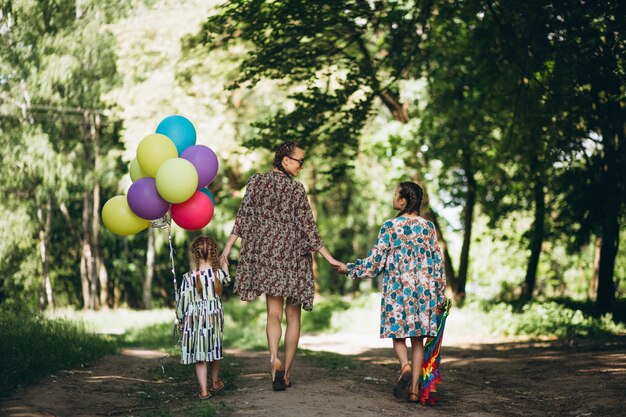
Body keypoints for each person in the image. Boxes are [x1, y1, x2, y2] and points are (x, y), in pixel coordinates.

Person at [219, 141, 344, 391]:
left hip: (268, 258)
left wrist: (227, 248)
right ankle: (285, 373)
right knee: (293, 316)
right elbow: (309, 230)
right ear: (285, 161)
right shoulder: (297, 190)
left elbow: (243, 216)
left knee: (273, 314)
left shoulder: (256, 181)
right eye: (299, 160)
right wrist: (329, 259)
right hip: (294, 258)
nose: (302, 166)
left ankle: (273, 358)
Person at [338, 182, 446, 403]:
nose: (393, 197)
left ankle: (404, 366)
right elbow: (437, 264)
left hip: (397, 292)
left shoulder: (390, 227)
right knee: (417, 340)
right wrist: (439, 295)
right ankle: (415, 390)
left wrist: (350, 268)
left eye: (395, 194)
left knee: (398, 335)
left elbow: (375, 262)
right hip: (422, 293)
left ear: (403, 201)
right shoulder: (428, 228)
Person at [177, 236, 231, 400]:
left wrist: (180, 320)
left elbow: (182, 302)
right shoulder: (218, 275)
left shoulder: (188, 278)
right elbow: (227, 280)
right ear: (215, 253)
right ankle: (215, 382)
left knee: (200, 355)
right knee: (214, 349)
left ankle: (204, 390)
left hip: (195, 320)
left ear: (195, 254)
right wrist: (225, 265)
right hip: (214, 318)